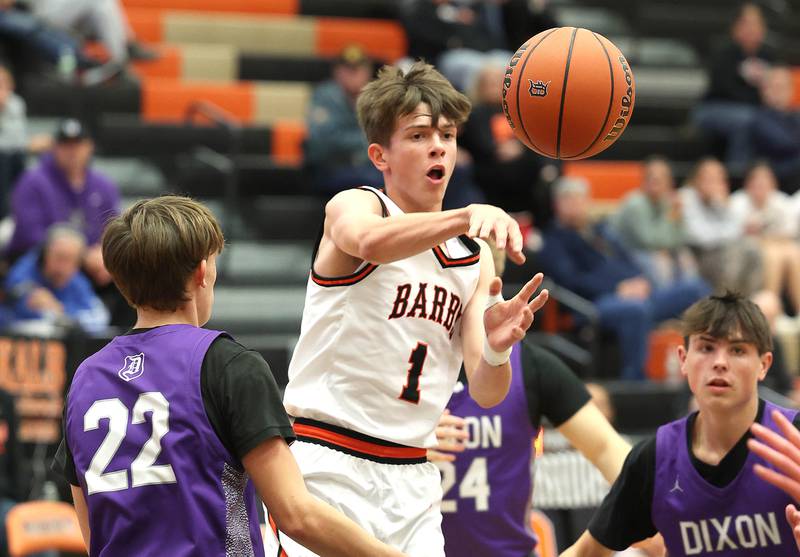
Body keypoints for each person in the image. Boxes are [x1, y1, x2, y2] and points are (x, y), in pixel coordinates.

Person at [266, 61, 549, 556]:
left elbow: (485, 390)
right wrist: (462, 214)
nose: (437, 145)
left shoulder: (474, 256)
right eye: (418, 135)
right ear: (381, 155)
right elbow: (369, 243)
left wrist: (500, 350)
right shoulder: (357, 205)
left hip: (413, 476)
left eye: (447, 134)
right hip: (328, 459)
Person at [51, 196, 406, 557]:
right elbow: (296, 515)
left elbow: (93, 533)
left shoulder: (85, 379)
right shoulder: (226, 363)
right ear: (202, 272)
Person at [428, 243, 633, 557]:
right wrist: (406, 440)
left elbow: (608, 448)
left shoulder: (531, 365)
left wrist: (650, 511)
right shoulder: (401, 363)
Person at [561, 292, 800, 556]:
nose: (720, 363)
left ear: (764, 365)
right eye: (707, 348)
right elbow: (585, 552)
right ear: (683, 359)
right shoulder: (655, 459)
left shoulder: (794, 437)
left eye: (737, 350)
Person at [539, 176, 709, 381]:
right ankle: (635, 382)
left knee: (695, 289)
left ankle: (705, 366)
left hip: (635, 296)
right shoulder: (554, 240)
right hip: (591, 305)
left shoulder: (601, 232)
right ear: (557, 204)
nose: (576, 204)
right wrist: (618, 289)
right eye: (569, 199)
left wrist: (640, 281)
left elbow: (630, 260)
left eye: (580, 198)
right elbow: (570, 281)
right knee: (636, 310)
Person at [692, 2, 777, 172]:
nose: (752, 29)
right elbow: (725, 89)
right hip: (713, 108)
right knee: (747, 120)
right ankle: (736, 174)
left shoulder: (768, 56)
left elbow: (775, 86)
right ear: (735, 28)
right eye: (747, 23)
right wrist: (760, 99)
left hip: (754, 111)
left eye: (757, 24)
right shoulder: (723, 53)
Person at [305, 45, 382, 195]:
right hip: (332, 169)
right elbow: (322, 142)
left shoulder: (376, 98)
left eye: (358, 69)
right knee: (373, 183)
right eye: (348, 69)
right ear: (337, 72)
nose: (353, 74)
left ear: (368, 72)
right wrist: (363, 144)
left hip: (369, 168)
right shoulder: (324, 96)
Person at [680, 157, 763, 295]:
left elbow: (738, 229)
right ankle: (724, 306)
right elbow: (700, 237)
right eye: (709, 178)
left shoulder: (719, 200)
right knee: (733, 252)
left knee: (752, 247)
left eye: (719, 179)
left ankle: (748, 303)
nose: (714, 184)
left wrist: (722, 205)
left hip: (720, 253)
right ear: (697, 179)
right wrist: (727, 234)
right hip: (697, 256)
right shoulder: (686, 197)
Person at [5, 224, 109, 334]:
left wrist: (61, 312)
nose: (62, 267)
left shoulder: (78, 282)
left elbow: (98, 318)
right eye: (59, 257)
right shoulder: (25, 272)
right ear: (45, 254)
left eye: (70, 260)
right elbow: (14, 294)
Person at [611, 156, 697, 288]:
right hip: (625, 252)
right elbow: (649, 241)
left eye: (661, 177)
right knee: (661, 262)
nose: (655, 181)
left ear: (670, 182)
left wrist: (674, 215)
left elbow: (682, 238)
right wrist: (670, 214)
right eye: (651, 177)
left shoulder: (666, 202)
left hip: (653, 250)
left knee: (685, 257)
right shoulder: (635, 203)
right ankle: (664, 303)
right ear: (644, 180)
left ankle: (690, 300)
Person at [730, 161, 800, 314]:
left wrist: (766, 237)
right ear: (748, 184)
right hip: (747, 250)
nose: (761, 186)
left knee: (794, 252)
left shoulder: (780, 200)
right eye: (757, 182)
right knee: (772, 255)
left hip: (779, 246)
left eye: (765, 182)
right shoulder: (737, 201)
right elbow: (734, 234)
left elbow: (790, 233)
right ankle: (772, 310)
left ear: (773, 184)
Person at [751, 66, 800, 187]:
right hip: (776, 178)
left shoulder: (795, 115)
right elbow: (785, 143)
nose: (781, 92)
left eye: (785, 87)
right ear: (764, 90)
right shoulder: (759, 118)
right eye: (776, 87)